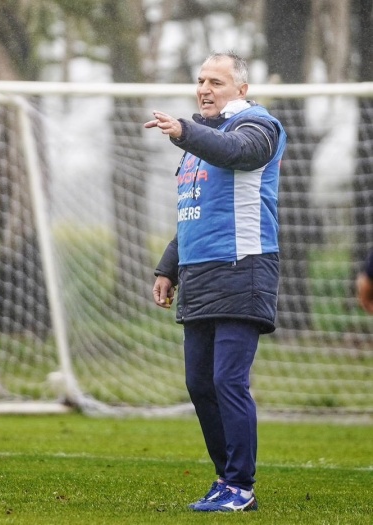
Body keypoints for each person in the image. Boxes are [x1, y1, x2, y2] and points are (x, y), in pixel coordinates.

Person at [144, 51, 287, 512]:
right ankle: (226, 481)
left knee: (228, 379)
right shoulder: (196, 147)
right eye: (200, 79)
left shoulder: (258, 126)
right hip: (200, 274)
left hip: (243, 268)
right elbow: (192, 216)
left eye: (217, 82)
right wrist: (168, 268)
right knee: (199, 383)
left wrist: (185, 131)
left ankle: (241, 487)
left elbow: (239, 153)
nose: (204, 88)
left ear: (241, 90)